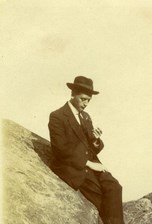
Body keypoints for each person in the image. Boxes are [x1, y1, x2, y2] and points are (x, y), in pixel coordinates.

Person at [48, 76, 124, 224]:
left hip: (91, 164)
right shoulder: (57, 116)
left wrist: (95, 140)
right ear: (73, 94)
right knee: (101, 198)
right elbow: (60, 150)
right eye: (83, 99)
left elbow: (91, 148)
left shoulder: (86, 117)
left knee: (115, 187)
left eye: (89, 100)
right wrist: (89, 164)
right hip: (72, 166)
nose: (86, 103)